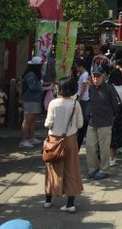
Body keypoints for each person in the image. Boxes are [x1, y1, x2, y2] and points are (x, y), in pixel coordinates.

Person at [44, 77, 84, 213]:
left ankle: (48, 199)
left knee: (51, 168)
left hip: (54, 139)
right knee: (71, 169)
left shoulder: (53, 104)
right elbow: (80, 124)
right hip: (71, 139)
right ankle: (70, 203)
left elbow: (47, 123)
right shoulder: (75, 104)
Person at [87, 64, 119, 180]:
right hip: (92, 121)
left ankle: (104, 169)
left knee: (104, 147)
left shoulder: (109, 89)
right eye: (94, 76)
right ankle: (92, 168)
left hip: (105, 122)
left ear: (103, 76)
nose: (95, 79)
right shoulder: (90, 88)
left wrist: (112, 118)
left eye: (98, 76)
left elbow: (115, 106)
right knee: (90, 146)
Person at [20, 56, 44, 148]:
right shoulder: (31, 75)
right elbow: (34, 87)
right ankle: (23, 140)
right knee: (27, 120)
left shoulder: (34, 75)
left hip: (35, 100)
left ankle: (31, 138)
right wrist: (43, 87)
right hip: (30, 100)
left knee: (33, 120)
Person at [108, 68, 122, 167]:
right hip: (118, 115)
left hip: (108, 114)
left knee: (109, 136)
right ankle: (113, 158)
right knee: (115, 136)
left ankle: (109, 158)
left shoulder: (108, 87)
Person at [75, 58, 90, 150]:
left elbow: (84, 88)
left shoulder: (85, 75)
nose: (76, 69)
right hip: (82, 97)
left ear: (81, 66)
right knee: (83, 116)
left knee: (84, 117)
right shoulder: (83, 74)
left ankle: (83, 130)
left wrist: (79, 99)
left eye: (77, 67)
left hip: (83, 98)